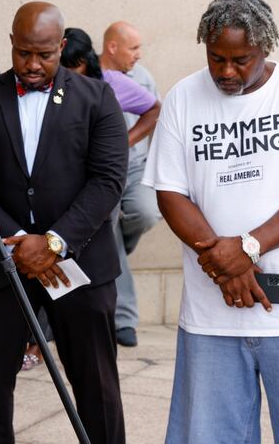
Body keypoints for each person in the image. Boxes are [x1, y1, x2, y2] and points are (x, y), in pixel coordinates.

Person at [0, 2, 128, 444]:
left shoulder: (97, 98)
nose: (32, 65)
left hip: (80, 264)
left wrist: (53, 242)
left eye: (45, 55)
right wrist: (17, 243)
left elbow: (108, 181)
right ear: (11, 43)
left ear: (62, 47)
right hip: (0, 267)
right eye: (24, 53)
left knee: (96, 384)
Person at [144, 0, 279, 444]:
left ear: (265, 47)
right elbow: (171, 192)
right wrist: (224, 265)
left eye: (240, 60)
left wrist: (246, 248)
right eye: (216, 59)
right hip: (212, 316)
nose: (226, 72)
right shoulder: (182, 98)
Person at [99, 21, 163, 346]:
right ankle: (124, 319)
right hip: (103, 174)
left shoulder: (143, 77)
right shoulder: (94, 78)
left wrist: (126, 142)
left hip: (135, 169)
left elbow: (156, 116)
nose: (139, 55)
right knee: (107, 230)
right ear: (113, 47)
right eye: (133, 48)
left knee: (147, 213)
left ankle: (112, 249)